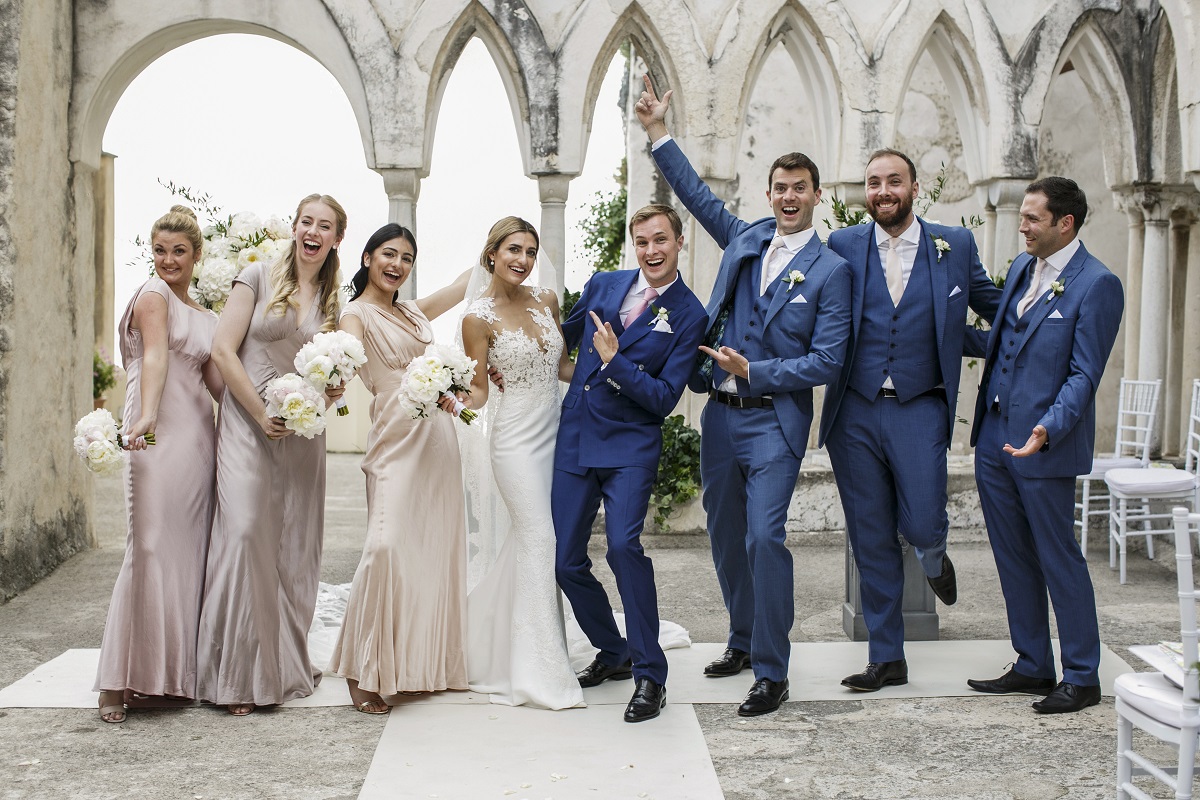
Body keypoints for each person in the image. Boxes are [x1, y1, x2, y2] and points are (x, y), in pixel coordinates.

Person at [636, 75, 853, 717]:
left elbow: (826, 360)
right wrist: (656, 133)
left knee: (765, 538)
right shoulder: (746, 238)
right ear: (770, 194)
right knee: (727, 537)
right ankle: (741, 638)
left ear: (817, 197)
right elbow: (697, 197)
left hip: (774, 422)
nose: (788, 197)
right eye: (779, 188)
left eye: (799, 189)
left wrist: (755, 369)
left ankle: (773, 669)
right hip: (720, 419)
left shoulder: (831, 271)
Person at [821, 148, 1002, 692]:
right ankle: (887, 656)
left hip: (920, 404)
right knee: (871, 535)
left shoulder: (955, 245)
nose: (882, 191)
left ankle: (935, 555)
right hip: (854, 408)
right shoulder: (843, 245)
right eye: (873, 182)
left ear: (914, 187)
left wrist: (1023, 338)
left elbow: (990, 306)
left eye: (893, 181)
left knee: (922, 521)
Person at [966, 177, 1122, 714]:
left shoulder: (1098, 284)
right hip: (994, 440)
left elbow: (1084, 374)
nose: (1022, 225)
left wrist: (1048, 427)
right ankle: (1033, 663)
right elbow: (1003, 340)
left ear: (1065, 224)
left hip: (1045, 446)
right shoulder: (1020, 268)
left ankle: (1083, 674)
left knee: (1059, 558)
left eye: (1032, 218)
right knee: (1012, 556)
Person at [552, 204, 706, 723]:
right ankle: (612, 650)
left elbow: (664, 398)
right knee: (566, 561)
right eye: (642, 241)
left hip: (630, 447)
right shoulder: (604, 283)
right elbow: (558, 338)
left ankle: (649, 675)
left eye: (660, 240)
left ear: (679, 242)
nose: (651, 251)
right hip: (575, 437)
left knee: (622, 547)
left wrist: (616, 362)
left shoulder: (690, 314)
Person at [196, 193, 347, 715]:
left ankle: (281, 664)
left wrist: (330, 390)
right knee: (243, 532)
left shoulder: (333, 302)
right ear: (295, 227)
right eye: (306, 221)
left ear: (335, 239)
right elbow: (221, 349)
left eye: (324, 226)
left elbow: (332, 371)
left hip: (302, 432)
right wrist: (260, 413)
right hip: (246, 421)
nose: (313, 231)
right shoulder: (255, 275)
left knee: (291, 544)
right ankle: (236, 674)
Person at [326, 224, 473, 714]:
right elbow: (343, 360)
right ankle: (359, 670)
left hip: (437, 437)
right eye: (389, 254)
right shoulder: (354, 315)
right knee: (386, 547)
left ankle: (417, 666)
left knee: (430, 547)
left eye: (407, 259)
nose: (398, 265)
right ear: (367, 258)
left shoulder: (411, 312)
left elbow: (459, 286)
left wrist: (499, 252)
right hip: (393, 435)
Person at [94, 206, 225, 723]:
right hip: (154, 432)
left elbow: (218, 386)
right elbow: (154, 357)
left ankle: (171, 676)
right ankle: (117, 683)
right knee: (147, 547)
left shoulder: (209, 316)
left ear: (196, 256)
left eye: (179, 251)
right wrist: (145, 415)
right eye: (160, 249)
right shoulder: (153, 295)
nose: (167, 260)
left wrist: (270, 408)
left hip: (197, 438)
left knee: (188, 551)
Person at [459, 216, 584, 710]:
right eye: (513, 249)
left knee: (537, 544)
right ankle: (538, 671)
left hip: (557, 434)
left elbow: (563, 367)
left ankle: (496, 640)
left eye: (530, 251)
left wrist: (614, 367)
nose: (523, 260)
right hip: (512, 439)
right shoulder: (477, 317)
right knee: (540, 537)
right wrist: (440, 391)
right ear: (492, 253)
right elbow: (478, 391)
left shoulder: (547, 301)